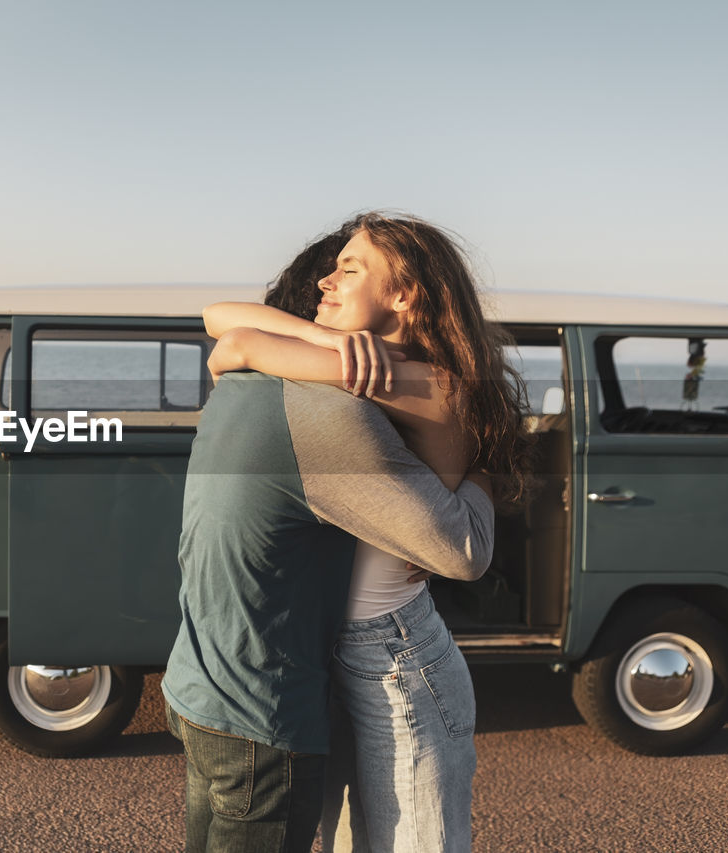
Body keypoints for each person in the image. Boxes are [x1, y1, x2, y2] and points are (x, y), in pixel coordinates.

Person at [161, 214, 502, 852]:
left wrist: (478, 475)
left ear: (404, 295)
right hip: (343, 649)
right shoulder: (349, 373)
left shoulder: (411, 384)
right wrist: (330, 347)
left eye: (349, 270)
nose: (328, 281)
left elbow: (463, 550)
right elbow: (228, 337)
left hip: (398, 650)